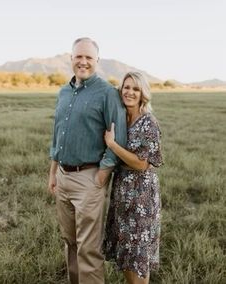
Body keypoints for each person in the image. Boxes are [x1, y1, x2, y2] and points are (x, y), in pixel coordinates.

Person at [48, 37, 127, 284]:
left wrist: (102, 175)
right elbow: (57, 134)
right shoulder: (63, 91)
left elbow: (119, 139)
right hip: (62, 176)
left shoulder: (107, 94)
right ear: (71, 59)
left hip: (89, 179)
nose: (83, 62)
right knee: (70, 242)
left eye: (88, 57)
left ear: (97, 61)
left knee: (88, 248)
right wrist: (53, 173)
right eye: (78, 56)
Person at [103, 72, 163, 284]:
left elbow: (141, 163)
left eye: (135, 89)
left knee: (138, 252)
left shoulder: (149, 123)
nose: (129, 92)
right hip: (122, 192)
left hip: (141, 197)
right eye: (126, 87)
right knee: (126, 249)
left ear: (142, 94)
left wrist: (113, 145)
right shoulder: (121, 119)